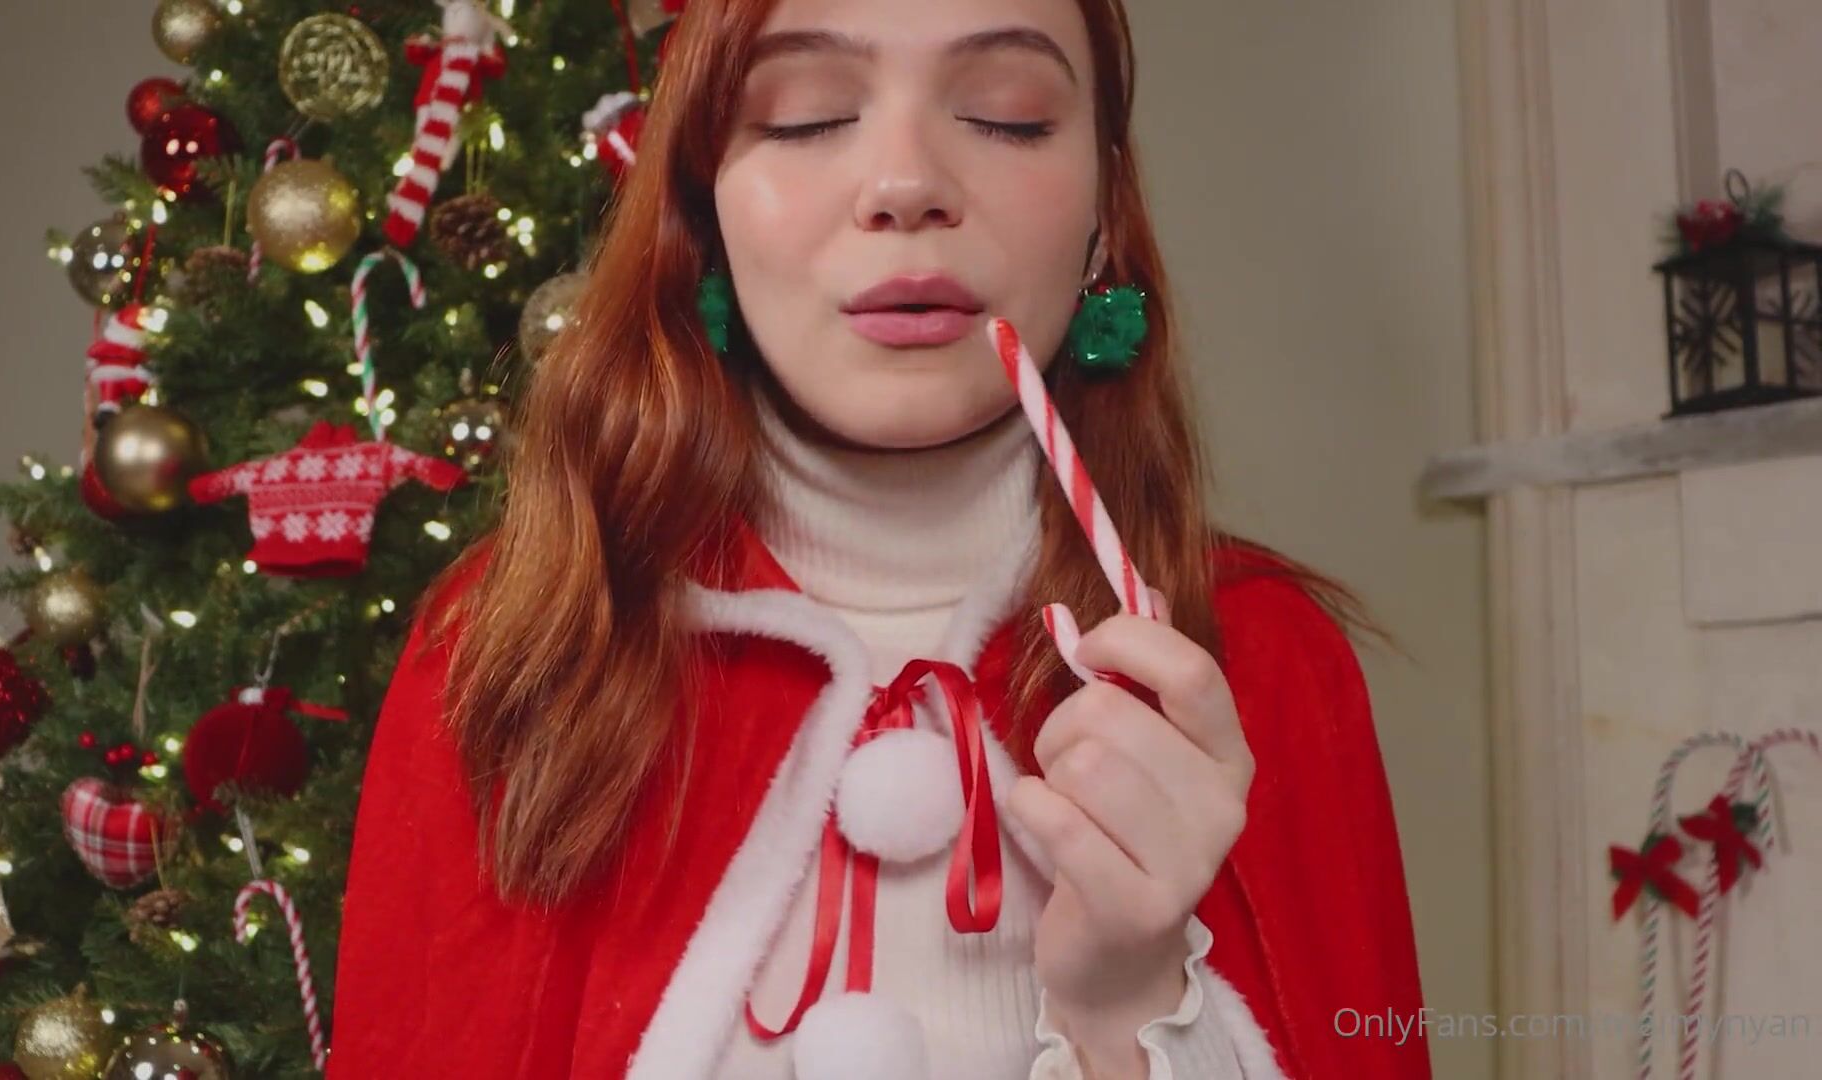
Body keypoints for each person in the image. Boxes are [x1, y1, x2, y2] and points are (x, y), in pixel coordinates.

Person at [328, 0, 1431, 1076]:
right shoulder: (507, 655)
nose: (906, 185)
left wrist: (1131, 1003)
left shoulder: (1260, 664)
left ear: (1105, 210)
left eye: (1005, 116)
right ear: (702, 213)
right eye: (805, 117)